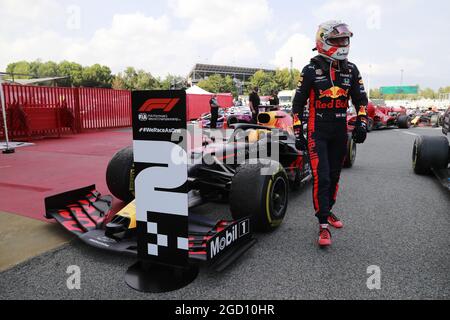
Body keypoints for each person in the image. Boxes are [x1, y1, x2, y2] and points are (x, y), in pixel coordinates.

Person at [292, 20, 369, 247]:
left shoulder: (352, 69)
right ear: (324, 41)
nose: (342, 43)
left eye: (344, 39)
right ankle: (323, 224)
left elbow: (361, 101)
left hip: (339, 133)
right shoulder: (309, 70)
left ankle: (328, 211)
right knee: (322, 177)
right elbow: (297, 105)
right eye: (337, 40)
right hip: (318, 132)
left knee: (334, 177)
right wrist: (299, 132)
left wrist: (361, 123)